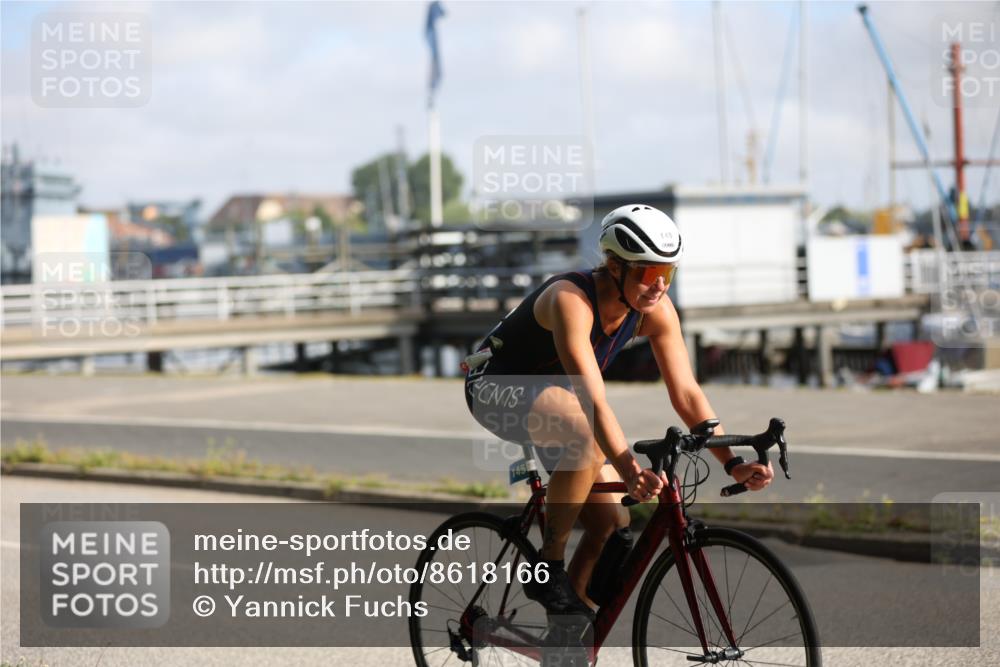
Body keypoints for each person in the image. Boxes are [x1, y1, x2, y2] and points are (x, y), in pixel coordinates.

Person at [464, 204, 774, 618]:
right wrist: (630, 470)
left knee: (612, 526)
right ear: (614, 265)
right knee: (582, 433)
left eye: (669, 273)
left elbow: (686, 393)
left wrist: (732, 462)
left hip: (562, 401)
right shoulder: (571, 300)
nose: (659, 285)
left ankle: (565, 640)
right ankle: (548, 566)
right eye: (648, 273)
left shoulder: (655, 312)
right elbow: (593, 402)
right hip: (494, 387)